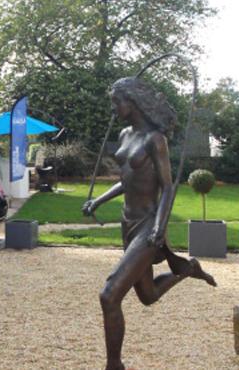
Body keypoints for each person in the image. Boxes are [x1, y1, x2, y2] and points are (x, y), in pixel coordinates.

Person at [82, 77, 216, 370]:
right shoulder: (125, 133)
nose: (114, 108)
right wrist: (98, 201)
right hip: (127, 223)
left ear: (133, 102)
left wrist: (159, 227)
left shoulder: (156, 140)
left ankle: (114, 365)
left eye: (118, 102)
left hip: (148, 225)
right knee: (148, 295)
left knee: (109, 295)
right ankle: (189, 268)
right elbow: (125, 180)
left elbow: (168, 187)